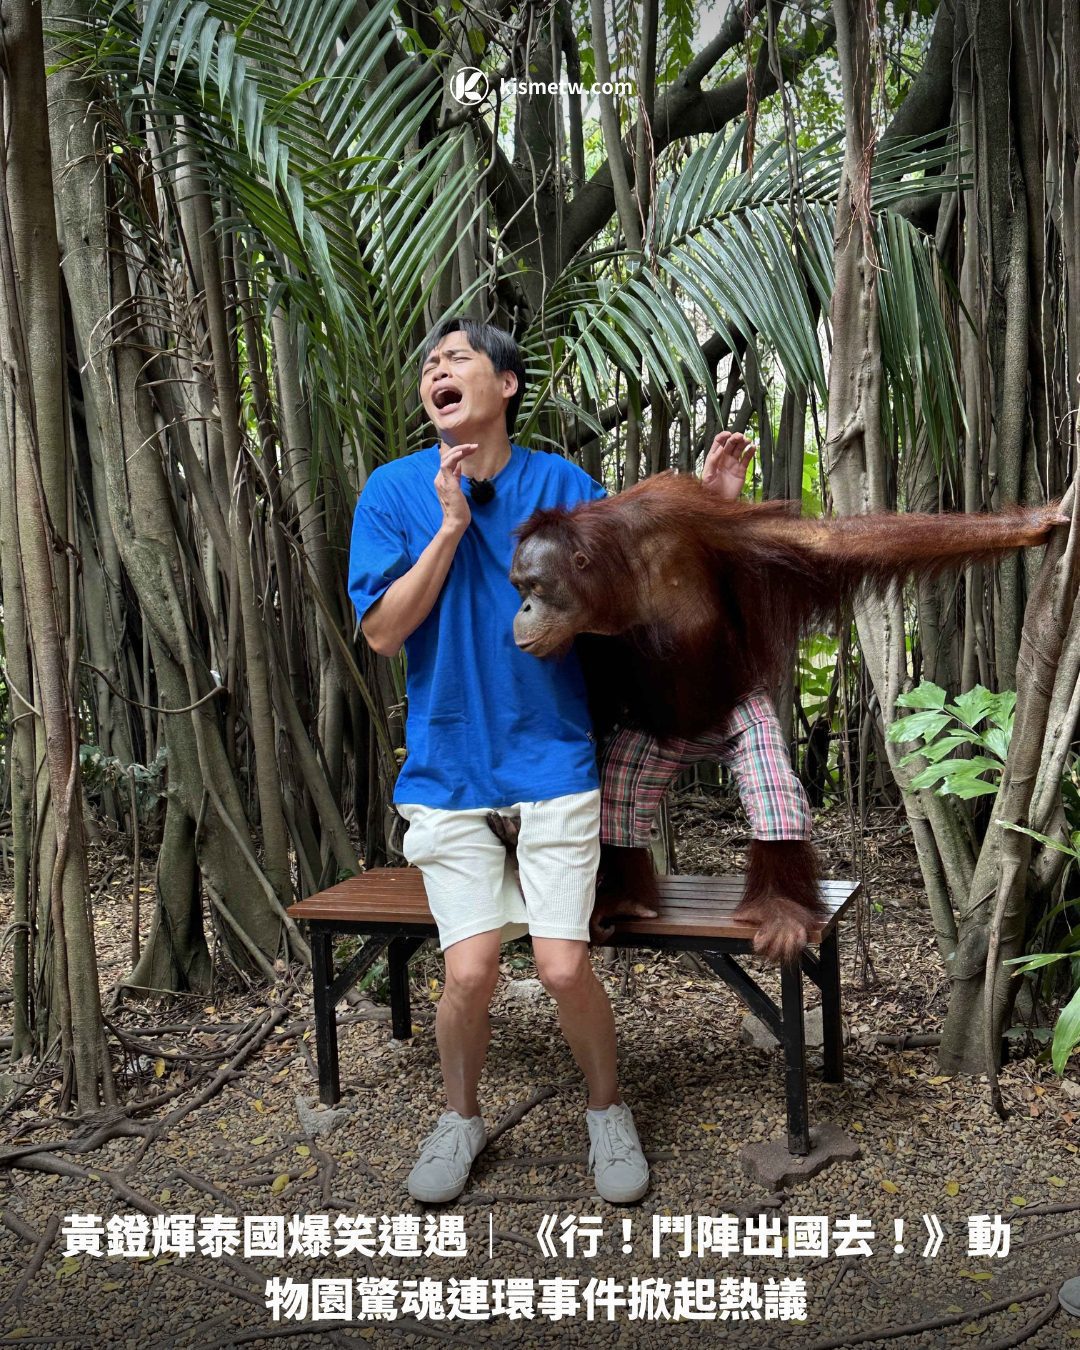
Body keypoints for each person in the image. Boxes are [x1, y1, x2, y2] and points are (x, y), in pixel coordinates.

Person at [348, 316, 810, 1206]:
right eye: (429, 364)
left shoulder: (562, 485)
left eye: (458, 359)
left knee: (561, 966)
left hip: (554, 761)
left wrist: (712, 508)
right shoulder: (393, 492)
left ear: (505, 385)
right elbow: (380, 633)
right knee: (471, 971)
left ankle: (608, 1110)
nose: (437, 371)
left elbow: (641, 589)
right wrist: (447, 531)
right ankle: (460, 1118)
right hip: (448, 773)